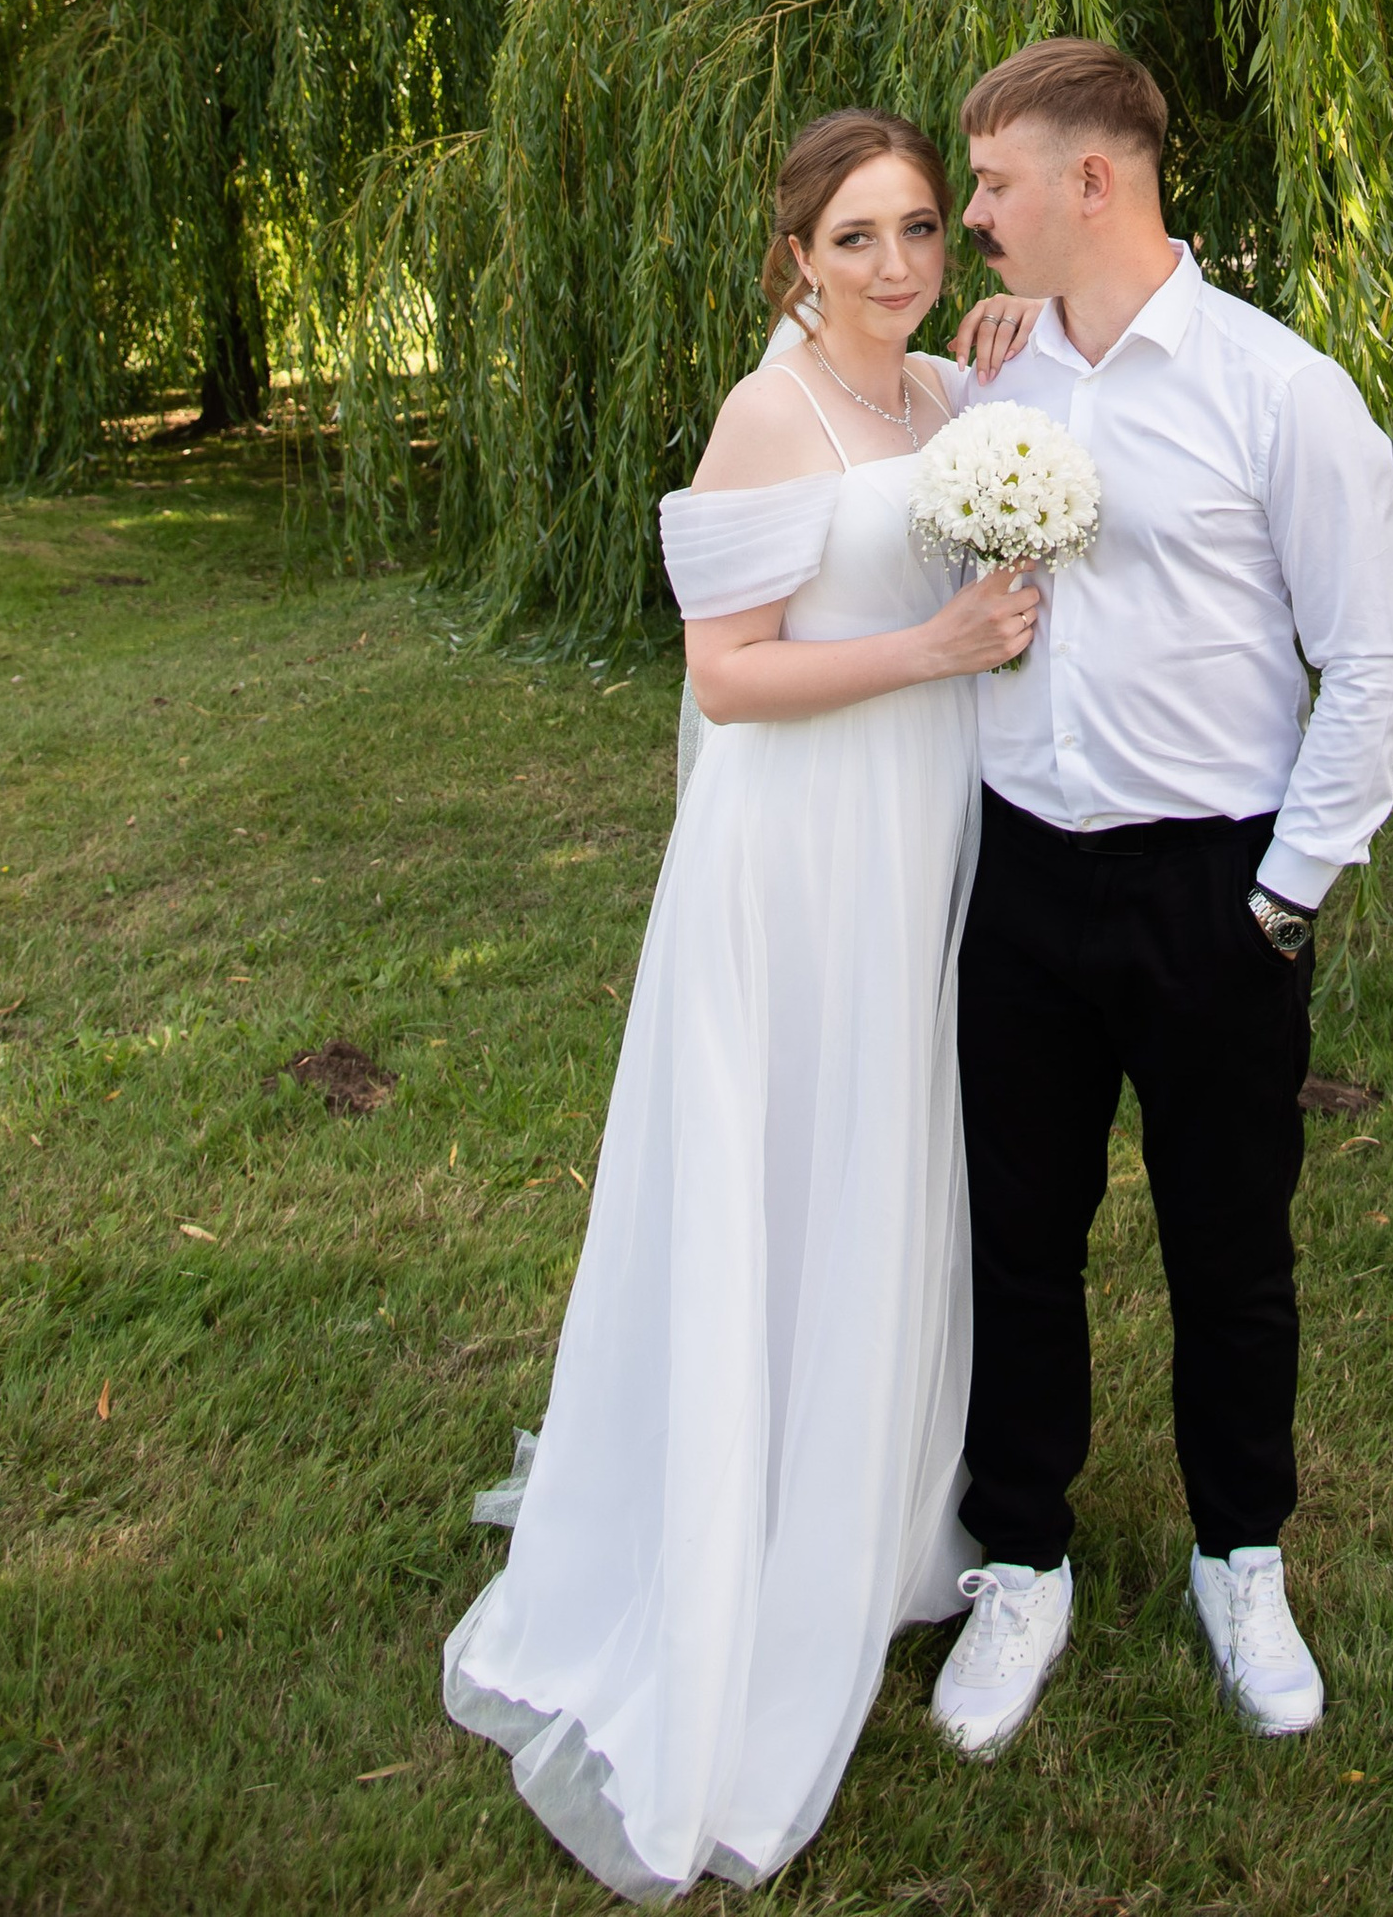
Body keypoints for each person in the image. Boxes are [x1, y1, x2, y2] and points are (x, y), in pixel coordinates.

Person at [443, 110, 1043, 1899]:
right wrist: (938, 649)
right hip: (796, 854)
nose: (896, 264)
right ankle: (739, 1521)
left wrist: (999, 351)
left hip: (923, 834)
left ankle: (871, 1494)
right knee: (790, 1156)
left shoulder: (945, 391)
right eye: (854, 237)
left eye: (922, 227)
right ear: (795, 253)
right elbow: (728, 669)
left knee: (893, 1153)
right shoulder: (766, 410)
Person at [928, 36, 1393, 1760]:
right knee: (1017, 1232)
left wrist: (1281, 900)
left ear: (1094, 182)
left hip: (1215, 889)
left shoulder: (1282, 391)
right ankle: (1023, 1559)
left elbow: (1370, 664)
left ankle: (1241, 1552)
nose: (963, 215)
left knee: (1230, 1240)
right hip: (1021, 880)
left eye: (990, 183)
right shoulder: (987, 387)